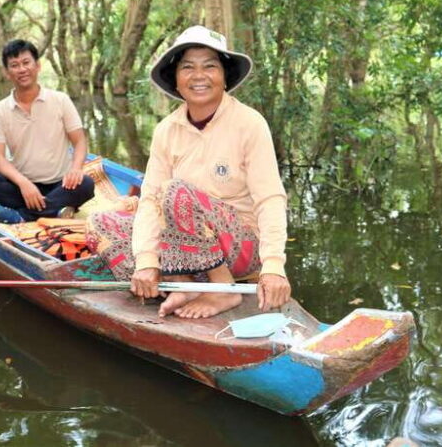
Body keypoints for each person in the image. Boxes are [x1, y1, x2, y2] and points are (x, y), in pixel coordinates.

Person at [87, 25, 291, 319]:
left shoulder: (250, 123)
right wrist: (146, 262)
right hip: (187, 249)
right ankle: (181, 282)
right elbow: (149, 201)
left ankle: (221, 289)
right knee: (101, 223)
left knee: (175, 191)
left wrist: (273, 265)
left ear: (224, 77)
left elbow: (270, 198)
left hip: (240, 247)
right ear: (176, 80)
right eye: (188, 67)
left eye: (210, 66)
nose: (199, 76)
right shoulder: (166, 130)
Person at [0, 39, 95, 223]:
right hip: (22, 186)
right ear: (6, 72)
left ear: (38, 65)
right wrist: (24, 183)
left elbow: (79, 141)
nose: (22, 69)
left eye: (26, 62)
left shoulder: (60, 100)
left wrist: (75, 169)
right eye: (14, 65)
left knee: (86, 185)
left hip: (61, 183)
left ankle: (21, 216)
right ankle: (55, 211)